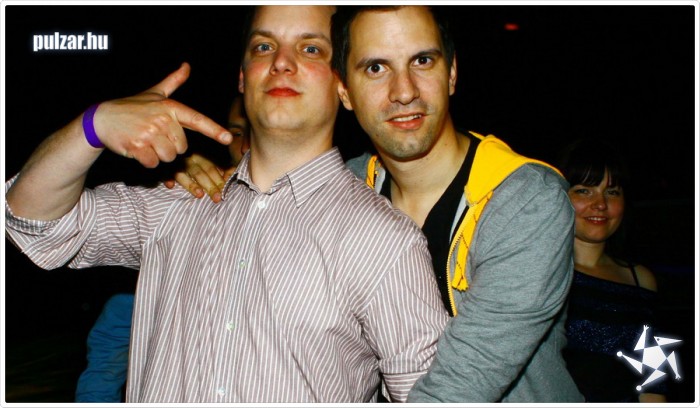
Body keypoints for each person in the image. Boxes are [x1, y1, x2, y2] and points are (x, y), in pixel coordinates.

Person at [5, 5, 449, 403]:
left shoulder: (385, 244)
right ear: (242, 76)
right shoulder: (177, 204)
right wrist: (95, 125)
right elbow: (30, 220)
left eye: (311, 49)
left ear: (343, 84)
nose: (281, 62)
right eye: (263, 46)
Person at [178, 5, 583, 402]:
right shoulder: (344, 186)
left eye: (422, 61)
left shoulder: (525, 201)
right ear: (344, 91)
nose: (404, 91)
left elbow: (462, 384)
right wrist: (195, 176)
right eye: (376, 68)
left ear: (452, 73)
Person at [74, 94, 251, 403]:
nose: (245, 145)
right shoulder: (185, 201)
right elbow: (109, 349)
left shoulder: (326, 213)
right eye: (236, 132)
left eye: (257, 128)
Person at [557, 138, 666, 403]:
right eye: (584, 191)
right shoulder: (537, 274)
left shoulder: (640, 280)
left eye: (612, 192)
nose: (600, 204)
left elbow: (654, 380)